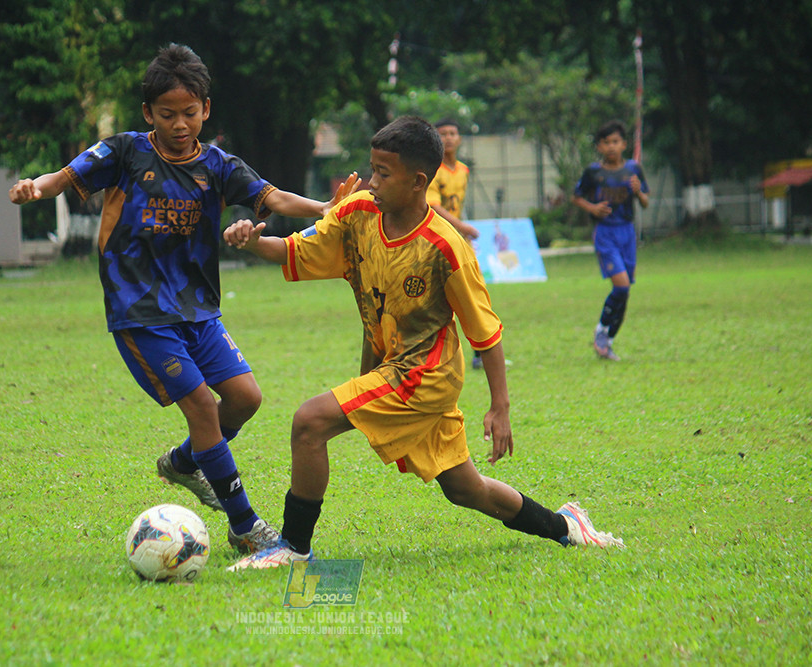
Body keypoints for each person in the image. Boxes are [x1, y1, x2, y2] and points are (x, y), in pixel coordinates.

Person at [223, 116, 623, 571]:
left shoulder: (445, 247)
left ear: (417, 182)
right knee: (465, 489)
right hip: (398, 368)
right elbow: (298, 250)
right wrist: (252, 242)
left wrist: (500, 407)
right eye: (372, 168)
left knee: (309, 423)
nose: (372, 182)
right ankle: (567, 526)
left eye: (383, 173)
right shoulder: (357, 215)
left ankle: (293, 548)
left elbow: (486, 334)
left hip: (424, 375)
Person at [8, 43, 359, 555]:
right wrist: (34, 190)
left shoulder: (218, 164)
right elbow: (63, 178)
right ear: (148, 113)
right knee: (200, 406)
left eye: (189, 113)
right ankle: (245, 525)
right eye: (168, 114)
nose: (179, 124)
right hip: (140, 311)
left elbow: (271, 196)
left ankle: (184, 463)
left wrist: (324, 207)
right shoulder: (124, 151)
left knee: (245, 399)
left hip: (197, 308)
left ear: (206, 110)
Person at [572, 119, 649, 361]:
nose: (612, 147)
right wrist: (592, 208)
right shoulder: (594, 172)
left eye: (615, 141)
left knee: (624, 292)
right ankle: (601, 331)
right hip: (605, 233)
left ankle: (608, 340)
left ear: (624, 144)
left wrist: (638, 192)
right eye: (606, 143)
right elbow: (576, 196)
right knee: (622, 285)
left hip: (627, 232)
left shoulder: (634, 169)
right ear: (599, 147)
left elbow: (646, 202)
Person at [425, 117, 484, 370]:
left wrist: (461, 230)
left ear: (459, 138)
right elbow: (434, 207)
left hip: (458, 240)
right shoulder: (430, 170)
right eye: (443, 134)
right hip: (436, 239)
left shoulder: (463, 170)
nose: (448, 138)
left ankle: (481, 350)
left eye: (452, 133)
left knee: (475, 292)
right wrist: (463, 227)